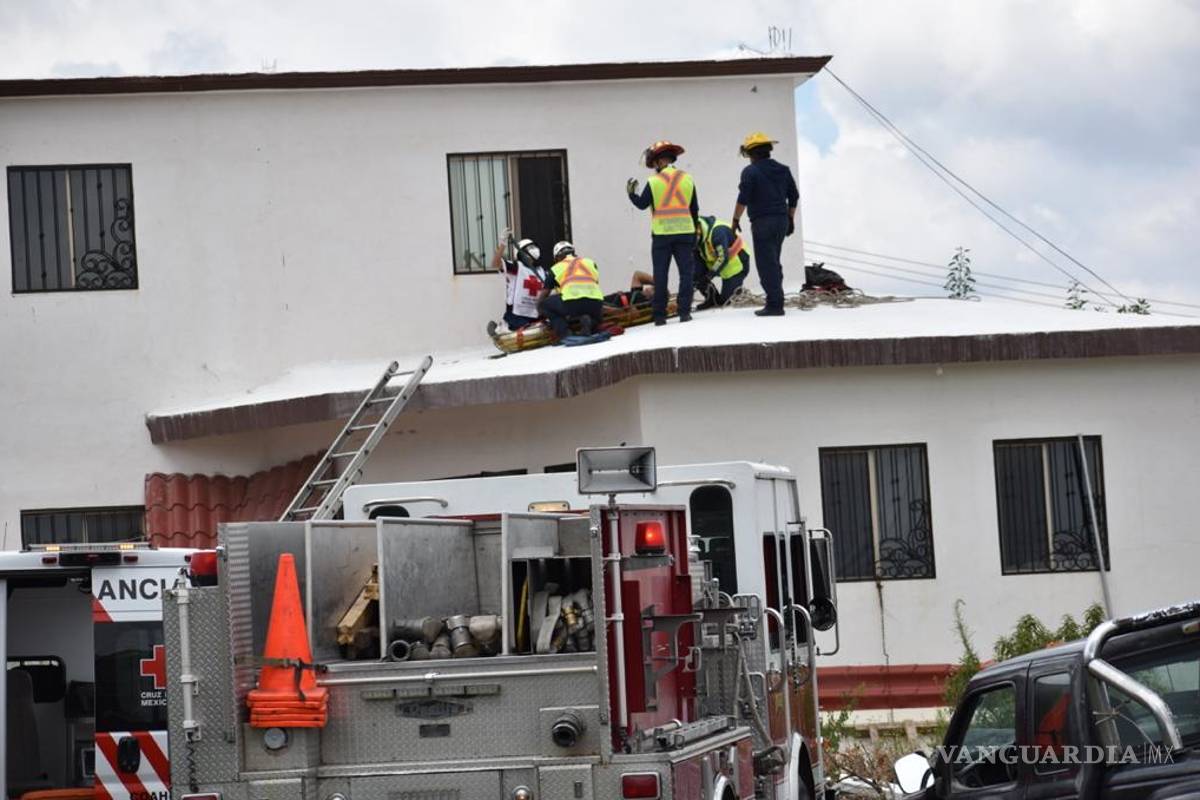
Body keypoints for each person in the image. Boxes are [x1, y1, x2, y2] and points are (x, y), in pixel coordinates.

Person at [626, 140, 699, 325]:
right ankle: (684, 312)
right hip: (685, 232)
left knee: (661, 274)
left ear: (658, 162)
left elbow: (642, 204)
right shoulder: (687, 178)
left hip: (662, 235)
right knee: (686, 274)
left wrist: (632, 194)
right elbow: (694, 209)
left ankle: (659, 316)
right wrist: (695, 230)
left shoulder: (653, 181)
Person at [730, 132, 799, 316]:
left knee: (766, 264)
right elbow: (794, 196)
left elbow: (743, 198)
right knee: (774, 261)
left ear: (752, 153)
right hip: (781, 221)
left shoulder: (750, 171)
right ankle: (777, 299)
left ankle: (775, 305)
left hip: (763, 223)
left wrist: (735, 219)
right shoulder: (784, 169)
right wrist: (790, 218)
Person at [538, 241, 604, 341]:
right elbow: (595, 283)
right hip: (597, 304)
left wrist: (540, 313)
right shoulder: (590, 262)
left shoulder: (556, 268)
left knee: (544, 305)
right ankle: (589, 322)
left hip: (572, 304)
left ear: (557, 257)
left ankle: (564, 333)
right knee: (592, 313)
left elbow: (543, 297)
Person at [488, 231, 545, 334]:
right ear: (522, 253)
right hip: (516, 314)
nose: (535, 250)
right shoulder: (517, 267)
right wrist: (502, 244)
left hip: (534, 313)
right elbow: (495, 264)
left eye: (534, 247)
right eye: (530, 248)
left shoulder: (541, 271)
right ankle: (503, 327)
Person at [693, 215, 750, 309]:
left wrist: (708, 276)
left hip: (735, 264)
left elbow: (723, 258)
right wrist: (694, 281)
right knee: (694, 270)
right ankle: (711, 299)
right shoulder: (695, 235)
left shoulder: (717, 233)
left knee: (726, 301)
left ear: (698, 232)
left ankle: (736, 291)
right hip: (716, 262)